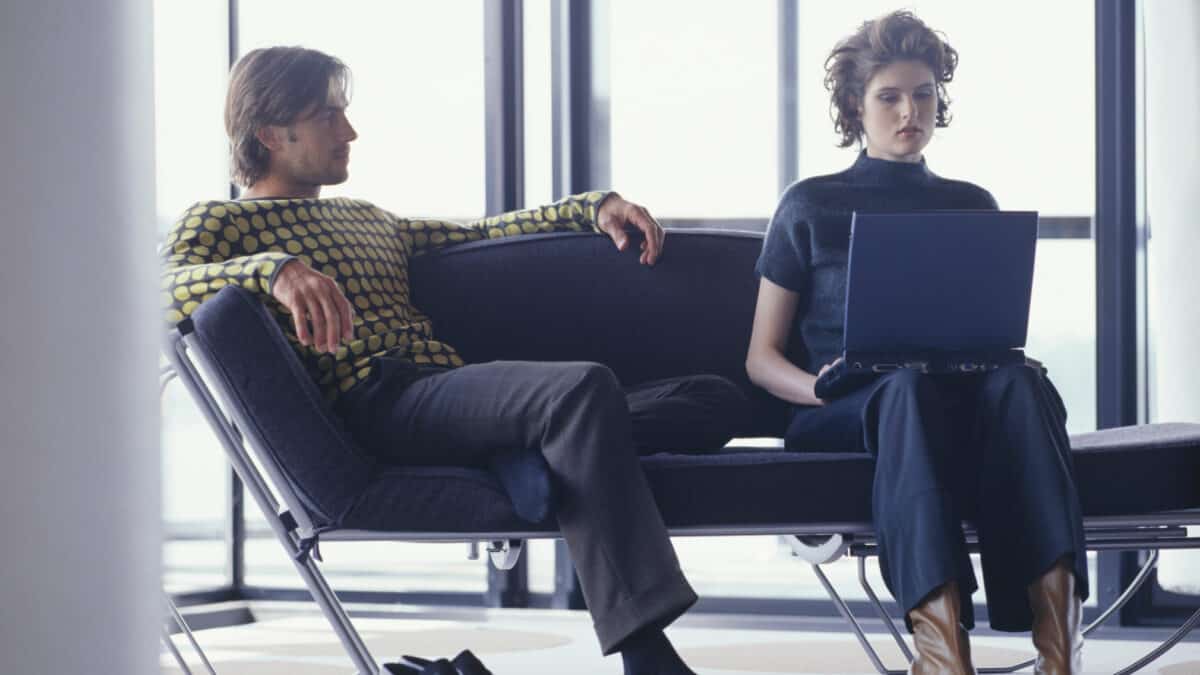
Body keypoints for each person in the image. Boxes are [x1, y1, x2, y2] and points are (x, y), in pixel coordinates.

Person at [161, 46, 746, 675]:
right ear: (271, 133)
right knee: (580, 391)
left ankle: (537, 453)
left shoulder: (367, 218)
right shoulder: (221, 221)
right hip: (380, 401)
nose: (349, 131)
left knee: (714, 397)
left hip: (448, 393)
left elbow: (489, 232)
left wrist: (593, 206)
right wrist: (272, 270)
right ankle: (646, 652)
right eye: (328, 115)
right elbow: (154, 287)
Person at [745, 11, 1087, 675]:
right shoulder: (808, 205)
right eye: (891, 97)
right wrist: (816, 388)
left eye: (925, 94)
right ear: (856, 105)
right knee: (899, 389)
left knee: (1022, 382)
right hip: (846, 412)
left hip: (948, 406)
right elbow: (760, 358)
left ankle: (1060, 650)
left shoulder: (972, 203)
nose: (911, 111)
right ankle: (941, 654)